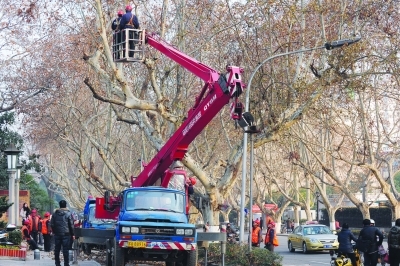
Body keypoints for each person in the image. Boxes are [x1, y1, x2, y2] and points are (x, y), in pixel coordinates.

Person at [51, 200, 75, 266]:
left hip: (57, 234)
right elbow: (71, 225)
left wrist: (54, 231)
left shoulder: (55, 214)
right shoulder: (69, 214)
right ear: (66, 205)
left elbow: (52, 224)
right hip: (66, 234)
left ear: (59, 205)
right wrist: (73, 234)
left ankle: (57, 263)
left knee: (57, 249)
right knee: (65, 250)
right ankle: (66, 264)